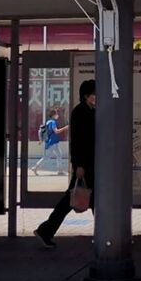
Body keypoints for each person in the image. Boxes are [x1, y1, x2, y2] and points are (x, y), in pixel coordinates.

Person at [35, 80, 96, 248]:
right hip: (85, 164)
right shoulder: (80, 112)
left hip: (89, 163)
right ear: (86, 95)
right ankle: (45, 231)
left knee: (88, 199)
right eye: (94, 94)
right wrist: (79, 165)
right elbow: (78, 141)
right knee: (71, 199)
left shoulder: (90, 111)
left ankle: (46, 231)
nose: (97, 96)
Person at [32, 108, 69, 175]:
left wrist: (41, 140)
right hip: (52, 142)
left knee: (59, 154)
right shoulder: (53, 122)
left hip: (53, 142)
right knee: (46, 157)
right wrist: (65, 128)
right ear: (54, 115)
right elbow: (56, 131)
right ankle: (35, 167)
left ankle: (60, 170)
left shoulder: (48, 122)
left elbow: (42, 131)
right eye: (57, 114)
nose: (58, 115)